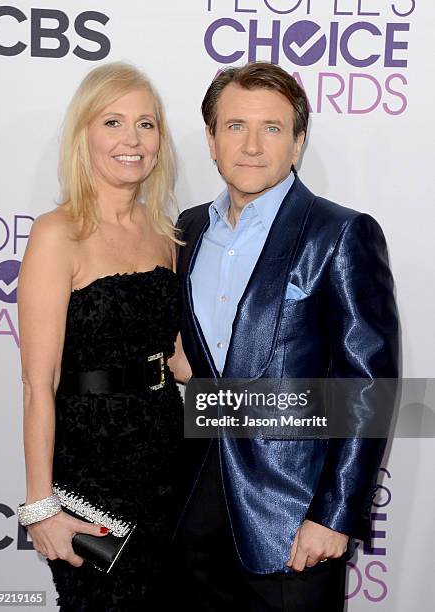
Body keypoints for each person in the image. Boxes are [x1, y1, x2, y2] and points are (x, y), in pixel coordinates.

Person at [174, 62, 398, 611]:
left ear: (297, 142)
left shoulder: (340, 233)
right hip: (190, 511)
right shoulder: (188, 229)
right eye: (234, 126)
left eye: (272, 129)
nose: (252, 145)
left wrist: (334, 515)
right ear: (210, 138)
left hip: (292, 521)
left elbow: (367, 387)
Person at [17, 61, 191, 611]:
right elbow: (35, 385)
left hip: (167, 458)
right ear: (84, 134)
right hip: (89, 476)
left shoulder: (167, 233)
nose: (132, 140)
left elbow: (183, 363)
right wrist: (41, 505)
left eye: (146, 124)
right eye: (113, 122)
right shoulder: (57, 233)